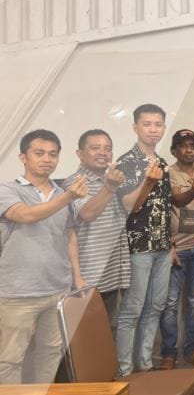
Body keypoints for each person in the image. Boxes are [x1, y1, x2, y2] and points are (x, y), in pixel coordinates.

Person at [0, 130, 88, 384]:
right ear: (23, 157)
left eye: (53, 154)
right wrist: (69, 196)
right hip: (17, 292)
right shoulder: (7, 189)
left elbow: (69, 234)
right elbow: (25, 215)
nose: (47, 159)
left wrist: (77, 277)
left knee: (50, 353)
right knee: (9, 359)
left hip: (57, 289)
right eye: (39, 153)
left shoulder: (62, 192)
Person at [114, 103, 172, 376]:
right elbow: (129, 205)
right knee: (132, 310)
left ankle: (145, 364)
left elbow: (165, 208)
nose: (153, 129)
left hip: (163, 246)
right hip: (138, 247)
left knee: (156, 306)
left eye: (158, 124)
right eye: (147, 124)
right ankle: (125, 370)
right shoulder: (125, 162)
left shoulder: (162, 162)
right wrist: (147, 181)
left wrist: (171, 244)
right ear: (135, 127)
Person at [62, 129, 129, 325]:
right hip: (88, 275)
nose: (103, 153)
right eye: (95, 148)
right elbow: (88, 214)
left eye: (108, 149)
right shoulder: (75, 182)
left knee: (107, 330)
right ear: (80, 154)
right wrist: (110, 187)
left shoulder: (114, 180)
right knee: (85, 334)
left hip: (112, 273)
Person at [159, 129, 194, 370]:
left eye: (193, 146)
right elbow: (176, 201)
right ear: (174, 150)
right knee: (169, 303)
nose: (189, 150)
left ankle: (191, 350)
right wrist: (169, 245)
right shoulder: (166, 174)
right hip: (176, 248)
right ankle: (169, 353)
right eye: (183, 146)